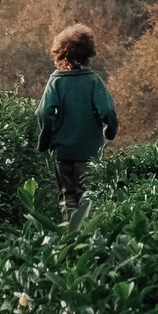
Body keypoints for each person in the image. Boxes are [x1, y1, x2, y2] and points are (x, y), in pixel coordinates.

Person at [32, 24, 117, 223]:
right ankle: (87, 238)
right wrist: (110, 131)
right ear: (88, 54)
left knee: (67, 197)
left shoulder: (56, 82)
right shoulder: (94, 81)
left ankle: (70, 237)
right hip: (89, 152)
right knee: (87, 196)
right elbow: (107, 111)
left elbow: (44, 112)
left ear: (60, 54)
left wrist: (44, 140)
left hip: (62, 151)